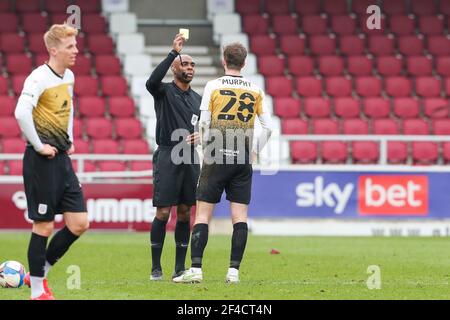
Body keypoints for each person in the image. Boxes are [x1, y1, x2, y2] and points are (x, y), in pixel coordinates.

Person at [173, 42, 273, 284]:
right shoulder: (256, 90)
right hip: (242, 158)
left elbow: (204, 123)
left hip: (217, 155)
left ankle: (196, 270)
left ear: (224, 61)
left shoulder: (214, 86)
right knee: (239, 217)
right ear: (245, 62)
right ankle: (233, 272)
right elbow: (268, 128)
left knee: (203, 215)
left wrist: (204, 145)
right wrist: (254, 151)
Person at [14, 24, 89, 300]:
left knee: (79, 223)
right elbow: (21, 113)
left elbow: (66, 107)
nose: (76, 51)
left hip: (61, 159)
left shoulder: (68, 76)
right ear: (54, 50)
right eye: (70, 46)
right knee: (43, 226)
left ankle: (40, 272)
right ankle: (36, 293)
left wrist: (67, 139)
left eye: (76, 45)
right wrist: (39, 145)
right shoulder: (38, 78)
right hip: (40, 161)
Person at [145, 34, 201, 281]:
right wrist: (172, 53)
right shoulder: (164, 91)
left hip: (190, 157)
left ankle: (180, 268)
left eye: (192, 65)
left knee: (186, 212)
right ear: (175, 68)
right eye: (184, 64)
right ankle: (156, 268)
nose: (189, 68)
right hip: (168, 155)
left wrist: (201, 135)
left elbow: (205, 127)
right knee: (163, 213)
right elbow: (151, 81)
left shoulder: (198, 99)